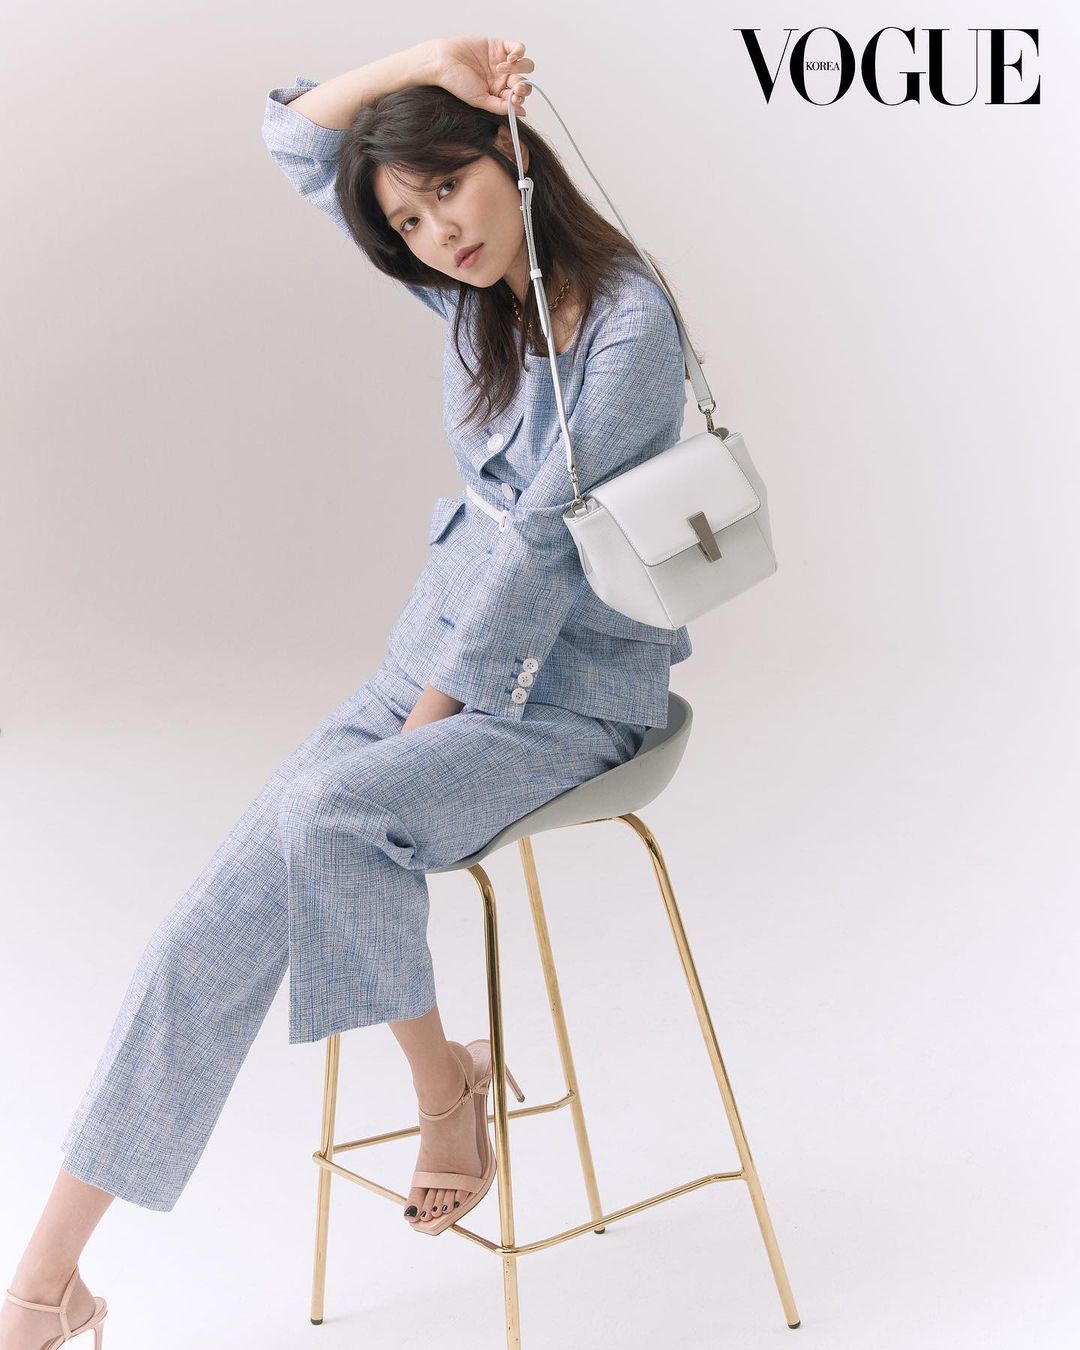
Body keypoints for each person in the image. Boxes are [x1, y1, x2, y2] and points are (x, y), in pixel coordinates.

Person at [1, 33, 696, 1347]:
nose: (441, 233)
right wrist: (431, 55)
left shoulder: (629, 324)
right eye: (410, 221)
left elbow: (539, 546)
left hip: (567, 703)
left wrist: (418, 725)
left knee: (331, 812)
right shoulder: (478, 301)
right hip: (427, 669)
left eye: (449, 189)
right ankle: (42, 1289)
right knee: (200, 942)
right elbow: (298, 139)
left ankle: (446, 1090)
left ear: (511, 157)